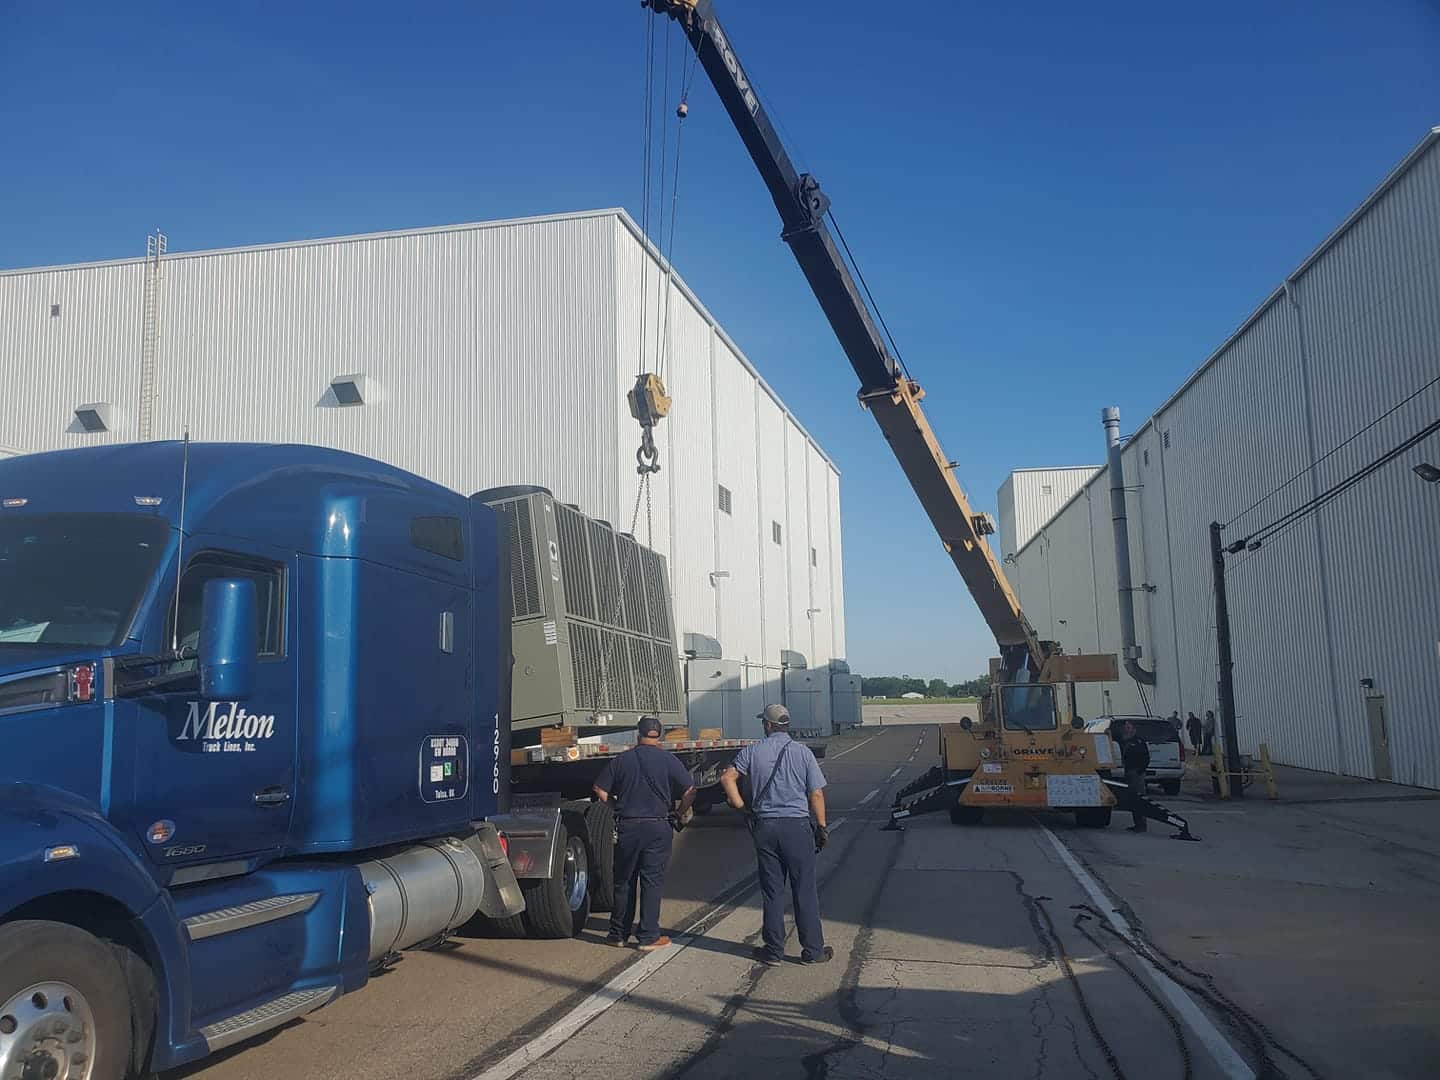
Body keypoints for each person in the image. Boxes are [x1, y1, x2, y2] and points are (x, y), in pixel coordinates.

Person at [720, 704, 833, 966]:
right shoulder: (802, 753)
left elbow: (728, 778)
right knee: (804, 888)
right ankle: (812, 951)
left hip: (766, 826)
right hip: (797, 827)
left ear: (768, 725)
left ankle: (773, 951)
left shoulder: (752, 751)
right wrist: (822, 826)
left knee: (772, 891)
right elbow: (816, 793)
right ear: (786, 725)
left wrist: (741, 807)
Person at [593, 715, 696, 951]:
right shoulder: (668, 760)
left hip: (628, 825)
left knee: (623, 881)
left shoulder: (622, 760)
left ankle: (617, 934)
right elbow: (690, 790)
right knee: (652, 882)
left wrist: (615, 807)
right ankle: (649, 936)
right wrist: (679, 812)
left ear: (637, 734)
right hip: (658, 826)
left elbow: (599, 789)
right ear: (658, 735)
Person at [1117, 719, 1151, 833]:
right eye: (1126, 728)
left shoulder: (1139, 742)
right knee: (1132, 799)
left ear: (1134, 729)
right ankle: (1137, 823)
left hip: (1137, 773)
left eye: (1129, 728)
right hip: (1128, 772)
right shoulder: (1125, 741)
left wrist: (1140, 771)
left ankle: (1142, 824)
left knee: (1139, 798)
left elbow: (1146, 758)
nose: (1127, 730)